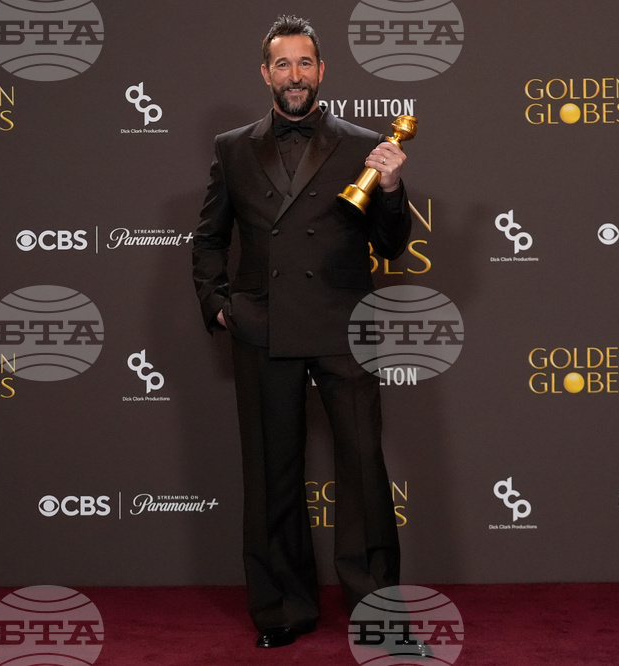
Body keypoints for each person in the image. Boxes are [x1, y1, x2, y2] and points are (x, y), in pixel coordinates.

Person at [191, 15, 420, 652]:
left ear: (322, 70)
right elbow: (209, 238)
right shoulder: (232, 147)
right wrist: (219, 304)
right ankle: (283, 609)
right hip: (262, 326)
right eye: (283, 64)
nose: (295, 75)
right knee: (272, 473)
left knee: (364, 470)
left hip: (342, 323)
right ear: (266, 74)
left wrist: (392, 186)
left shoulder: (364, 145)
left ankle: (377, 611)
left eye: (305, 63)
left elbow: (391, 245)